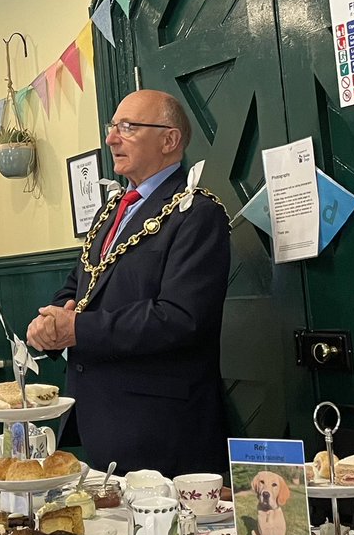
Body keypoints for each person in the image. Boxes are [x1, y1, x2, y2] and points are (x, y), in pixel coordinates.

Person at [26, 90, 230, 478]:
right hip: (98, 418)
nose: (111, 138)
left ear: (169, 140)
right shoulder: (111, 210)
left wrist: (78, 329)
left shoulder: (197, 214)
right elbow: (77, 285)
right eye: (112, 126)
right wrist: (52, 322)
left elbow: (180, 318)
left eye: (128, 127)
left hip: (161, 430)